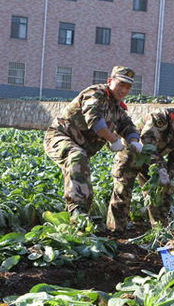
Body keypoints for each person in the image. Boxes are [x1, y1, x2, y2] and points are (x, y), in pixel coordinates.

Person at [44, 66, 142, 223]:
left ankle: (82, 216)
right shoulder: (95, 94)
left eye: (128, 87)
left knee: (84, 180)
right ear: (110, 81)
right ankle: (77, 213)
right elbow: (95, 121)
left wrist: (134, 142)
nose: (123, 90)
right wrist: (113, 140)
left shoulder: (117, 108)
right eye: (120, 84)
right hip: (60, 136)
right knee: (76, 156)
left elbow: (128, 126)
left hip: (80, 147)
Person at [106, 101, 174, 232]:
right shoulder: (163, 118)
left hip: (153, 160)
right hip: (132, 151)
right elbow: (146, 142)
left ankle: (160, 231)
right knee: (123, 190)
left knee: (161, 193)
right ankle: (116, 231)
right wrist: (160, 167)